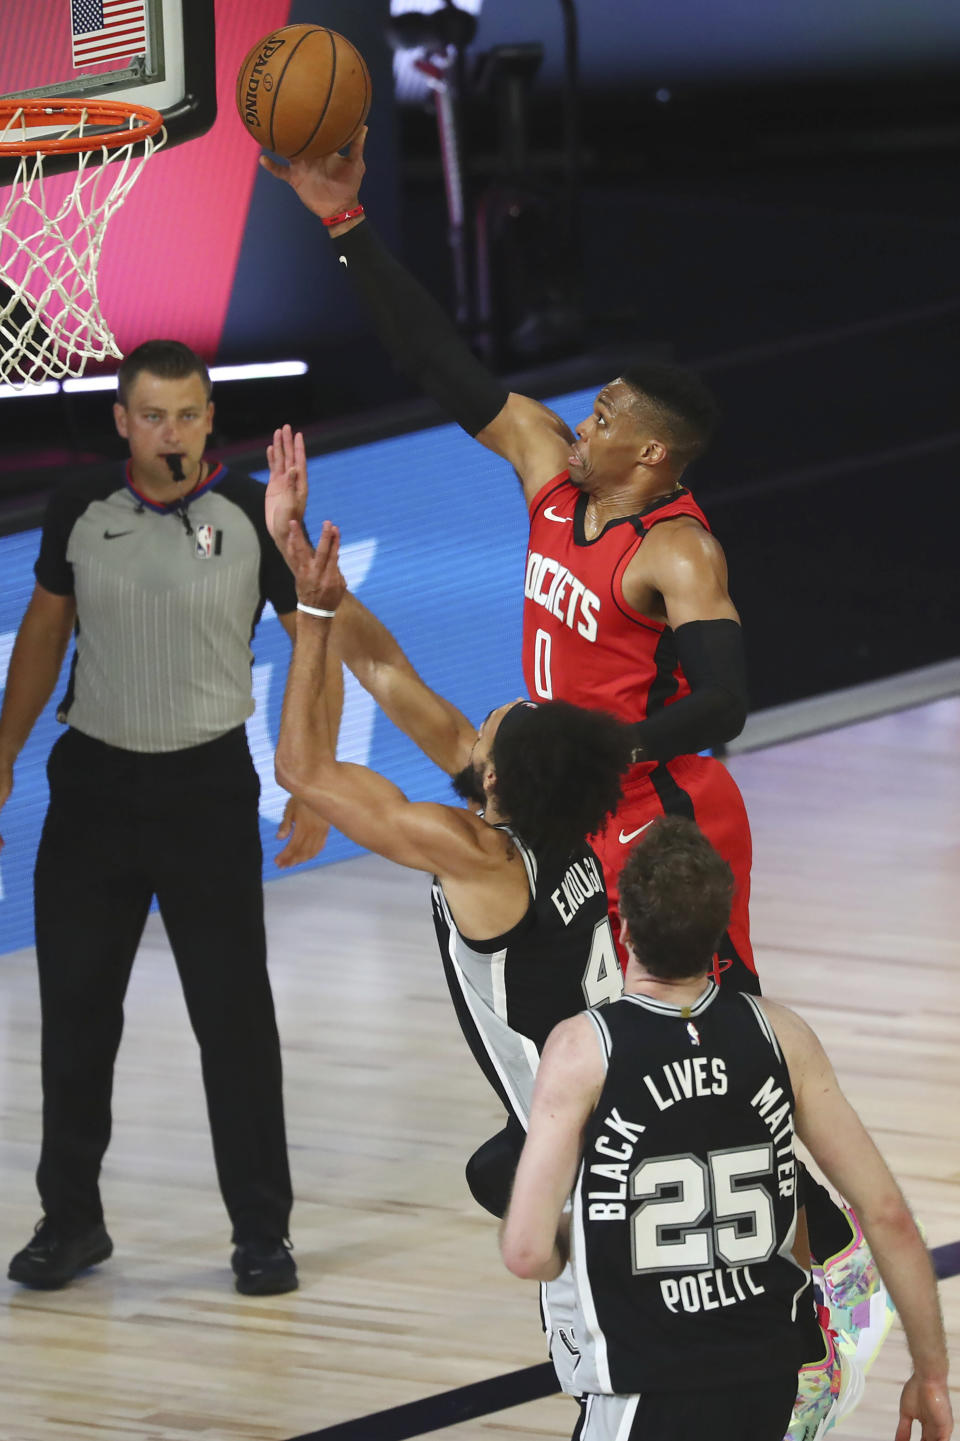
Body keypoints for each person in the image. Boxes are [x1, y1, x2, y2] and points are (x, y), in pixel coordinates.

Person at [259, 137, 891, 1380]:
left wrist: (613, 743)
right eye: (591, 406)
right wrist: (343, 226)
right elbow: (449, 369)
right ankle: (602, 1197)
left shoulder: (679, 552)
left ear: (650, 456)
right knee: (603, 1084)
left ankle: (845, 1300)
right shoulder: (552, 470)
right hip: (561, 798)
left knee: (729, 1061)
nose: (581, 416)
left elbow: (729, 700)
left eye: (607, 415)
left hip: (662, 816)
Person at [265, 437, 633, 1381]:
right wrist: (301, 558)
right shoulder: (561, 824)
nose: (479, 726)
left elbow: (304, 770)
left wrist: (309, 614)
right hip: (616, 1084)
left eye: (492, 730)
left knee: (610, 1360)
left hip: (585, 1136)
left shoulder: (480, 856)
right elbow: (388, 672)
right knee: (492, 1170)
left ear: (497, 778)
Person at [0, 340, 333, 1295]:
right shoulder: (79, 508)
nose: (171, 432)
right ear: (120, 420)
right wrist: (1, 751)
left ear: (208, 417)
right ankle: (70, 1223)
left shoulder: (255, 517)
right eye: (153, 415)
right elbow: (44, 632)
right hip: (92, 794)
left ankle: (262, 1233)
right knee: (73, 1018)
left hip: (207, 794)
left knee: (234, 1021)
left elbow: (317, 645)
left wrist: (311, 781)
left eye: (187, 414)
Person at [501, 817, 953, 1441]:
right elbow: (888, 1216)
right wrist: (931, 1373)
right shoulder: (782, 1034)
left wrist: (581, 1238)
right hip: (768, 1378)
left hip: (648, 1385)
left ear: (622, 928)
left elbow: (525, 1251)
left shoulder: (582, 1049)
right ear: (718, 932)